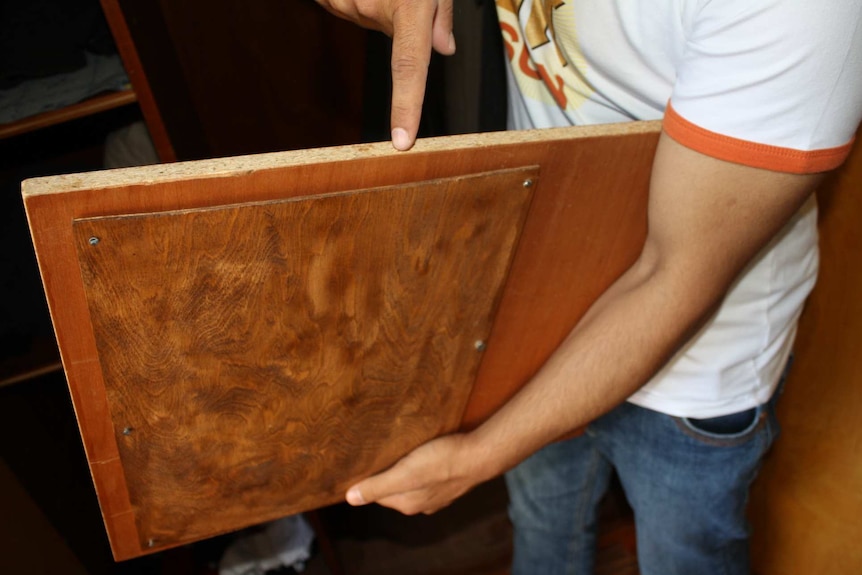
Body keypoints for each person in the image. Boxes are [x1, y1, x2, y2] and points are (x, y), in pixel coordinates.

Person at [314, 1, 862, 573]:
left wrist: (478, 457)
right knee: (542, 532)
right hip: (542, 304)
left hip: (698, 369)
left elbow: (673, 276)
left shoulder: (800, 11)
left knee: (684, 558)